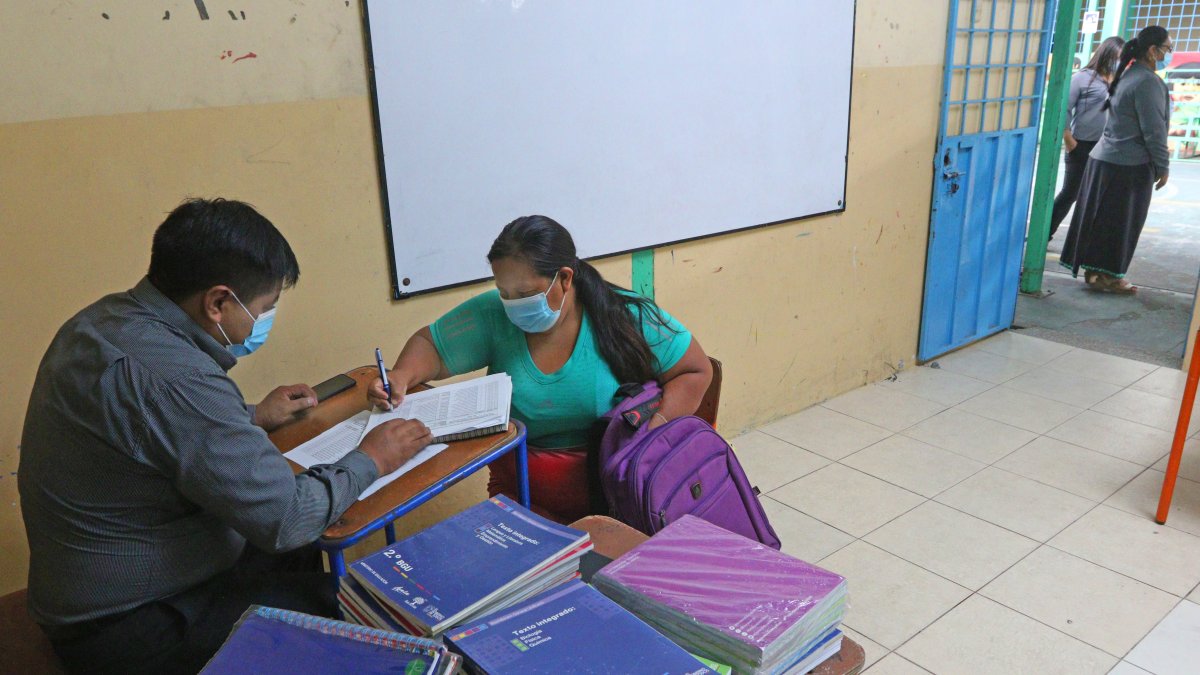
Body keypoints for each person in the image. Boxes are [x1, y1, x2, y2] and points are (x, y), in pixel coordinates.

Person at [19, 198, 433, 674]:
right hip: (133, 625)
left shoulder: (103, 321)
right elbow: (286, 518)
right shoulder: (179, 379)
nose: (265, 321)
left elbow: (146, 426)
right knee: (357, 609)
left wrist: (248, 415)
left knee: (296, 551)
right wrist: (373, 458)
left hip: (99, 582)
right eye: (264, 308)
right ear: (217, 302)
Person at [369, 215, 713, 523]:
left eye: (526, 292)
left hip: (616, 501)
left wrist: (658, 427)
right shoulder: (494, 314)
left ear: (564, 279)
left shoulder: (621, 317)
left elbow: (695, 371)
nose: (514, 304)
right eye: (504, 291)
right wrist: (401, 376)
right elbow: (432, 345)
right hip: (521, 497)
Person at [1060, 26, 1172, 293]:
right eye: (1167, 49)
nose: (1169, 54)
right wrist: (1163, 165)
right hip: (1128, 165)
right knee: (1121, 224)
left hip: (1103, 159)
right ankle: (1110, 277)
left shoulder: (1125, 76)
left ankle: (1095, 273)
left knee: (1100, 220)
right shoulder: (1147, 82)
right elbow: (1154, 129)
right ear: (1153, 51)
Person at [1049, 36, 1126, 239]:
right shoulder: (1083, 78)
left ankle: (1086, 242)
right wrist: (1069, 139)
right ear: (1107, 55)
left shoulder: (1119, 80)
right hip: (1081, 146)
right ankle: (1044, 234)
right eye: (1118, 57)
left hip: (1108, 147)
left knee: (1100, 198)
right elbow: (1064, 107)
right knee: (1070, 194)